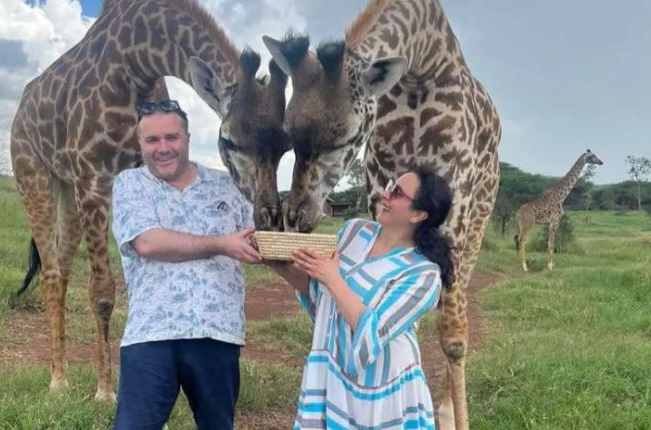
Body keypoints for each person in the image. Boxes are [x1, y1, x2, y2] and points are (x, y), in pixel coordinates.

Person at [111, 99, 261, 430]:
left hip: (216, 331)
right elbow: (147, 243)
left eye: (171, 137)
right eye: (152, 140)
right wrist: (223, 244)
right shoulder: (130, 184)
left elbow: (262, 239)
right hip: (151, 333)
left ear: (188, 138)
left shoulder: (229, 185)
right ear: (140, 144)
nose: (163, 148)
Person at [267, 168, 454, 430]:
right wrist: (271, 260)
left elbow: (372, 332)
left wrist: (332, 277)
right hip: (331, 373)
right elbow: (321, 297)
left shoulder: (423, 275)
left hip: (381, 392)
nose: (385, 194)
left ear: (418, 215)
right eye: (390, 186)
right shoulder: (353, 232)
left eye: (397, 192)